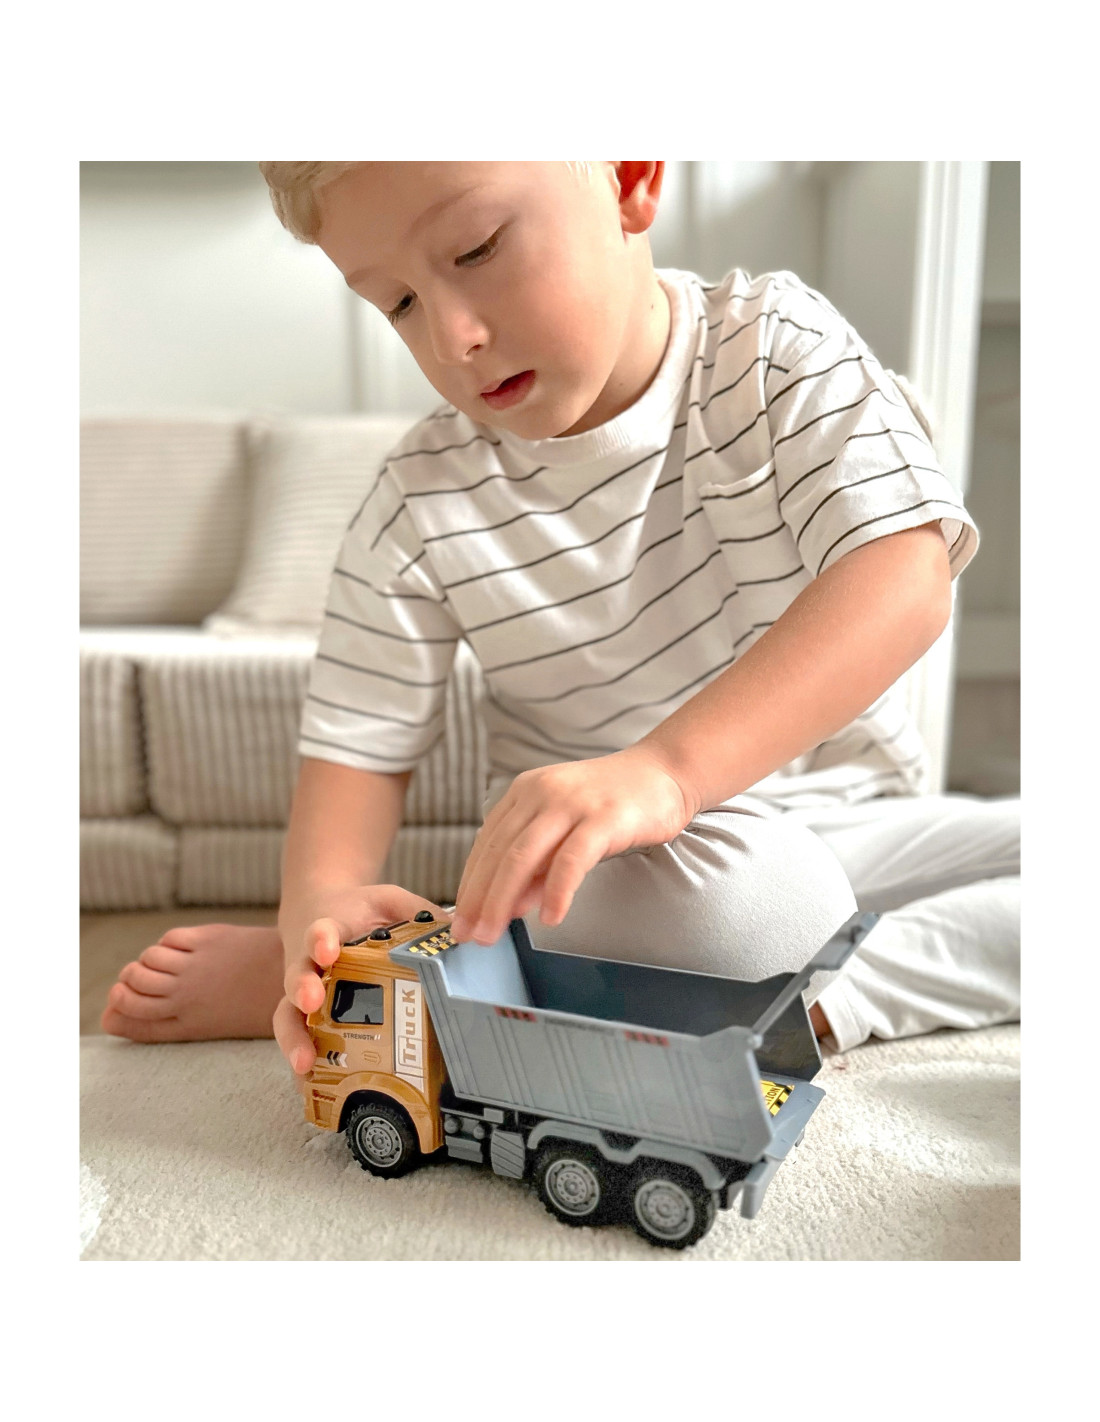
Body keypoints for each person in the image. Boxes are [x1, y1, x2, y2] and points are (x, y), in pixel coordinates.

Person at [102, 162, 1020, 1074]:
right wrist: (317, 916)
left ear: (629, 176)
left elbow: (905, 575)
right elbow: (357, 747)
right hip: (615, 879)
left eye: (476, 250)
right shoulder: (421, 496)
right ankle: (381, 973)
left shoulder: (778, 347)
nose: (453, 337)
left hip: (856, 829)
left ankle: (818, 1001)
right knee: (744, 918)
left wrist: (667, 772)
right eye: (400, 304)